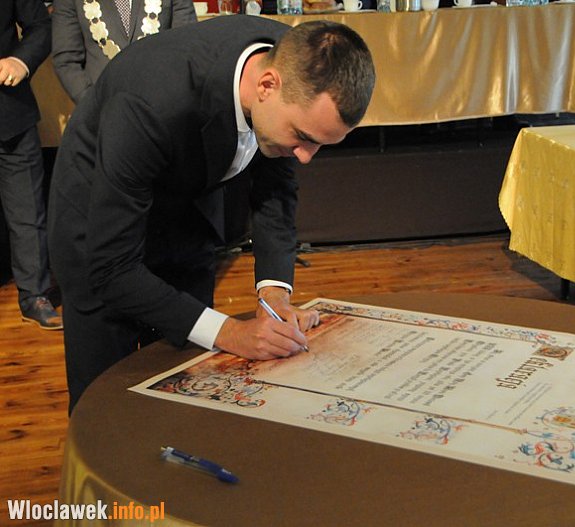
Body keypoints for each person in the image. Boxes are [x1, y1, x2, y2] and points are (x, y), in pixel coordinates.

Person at [48, 16, 375, 412]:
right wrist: (231, 332)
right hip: (98, 233)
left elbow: (275, 191)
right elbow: (113, 268)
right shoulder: (152, 99)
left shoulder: (296, 63)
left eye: (321, 144)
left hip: (186, 217)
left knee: (186, 390)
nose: (306, 157)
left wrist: (274, 295)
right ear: (266, 85)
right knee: (106, 405)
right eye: (303, 138)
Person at [1, 0, 63, 330]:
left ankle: (34, 295)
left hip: (10, 111)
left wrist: (19, 61)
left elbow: (41, 24)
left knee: (27, 211)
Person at [51, 0, 197, 104]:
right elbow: (66, 59)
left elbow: (187, 49)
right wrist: (92, 105)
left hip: (163, 110)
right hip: (102, 113)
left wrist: (169, 102)